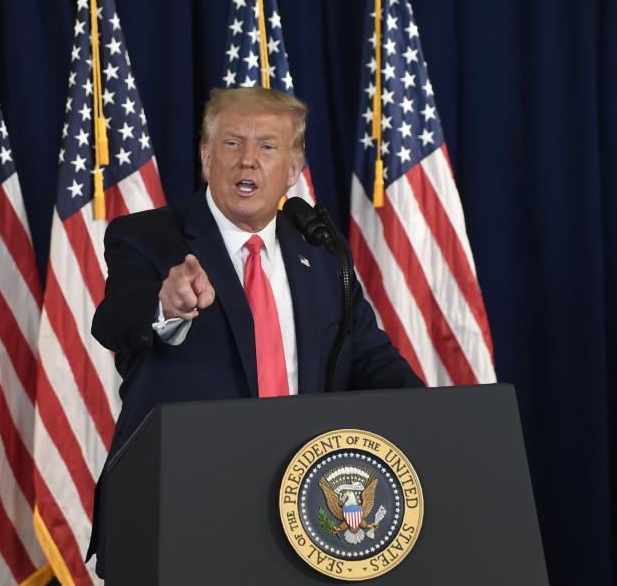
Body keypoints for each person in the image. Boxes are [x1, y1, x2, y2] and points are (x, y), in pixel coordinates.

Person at [87, 87, 423, 575]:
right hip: (179, 512)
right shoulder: (146, 236)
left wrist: (437, 418)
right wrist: (167, 304)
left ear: (291, 169)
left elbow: (371, 358)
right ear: (206, 157)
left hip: (301, 515)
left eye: (267, 146)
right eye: (231, 143)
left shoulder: (323, 254)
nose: (248, 160)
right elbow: (114, 320)